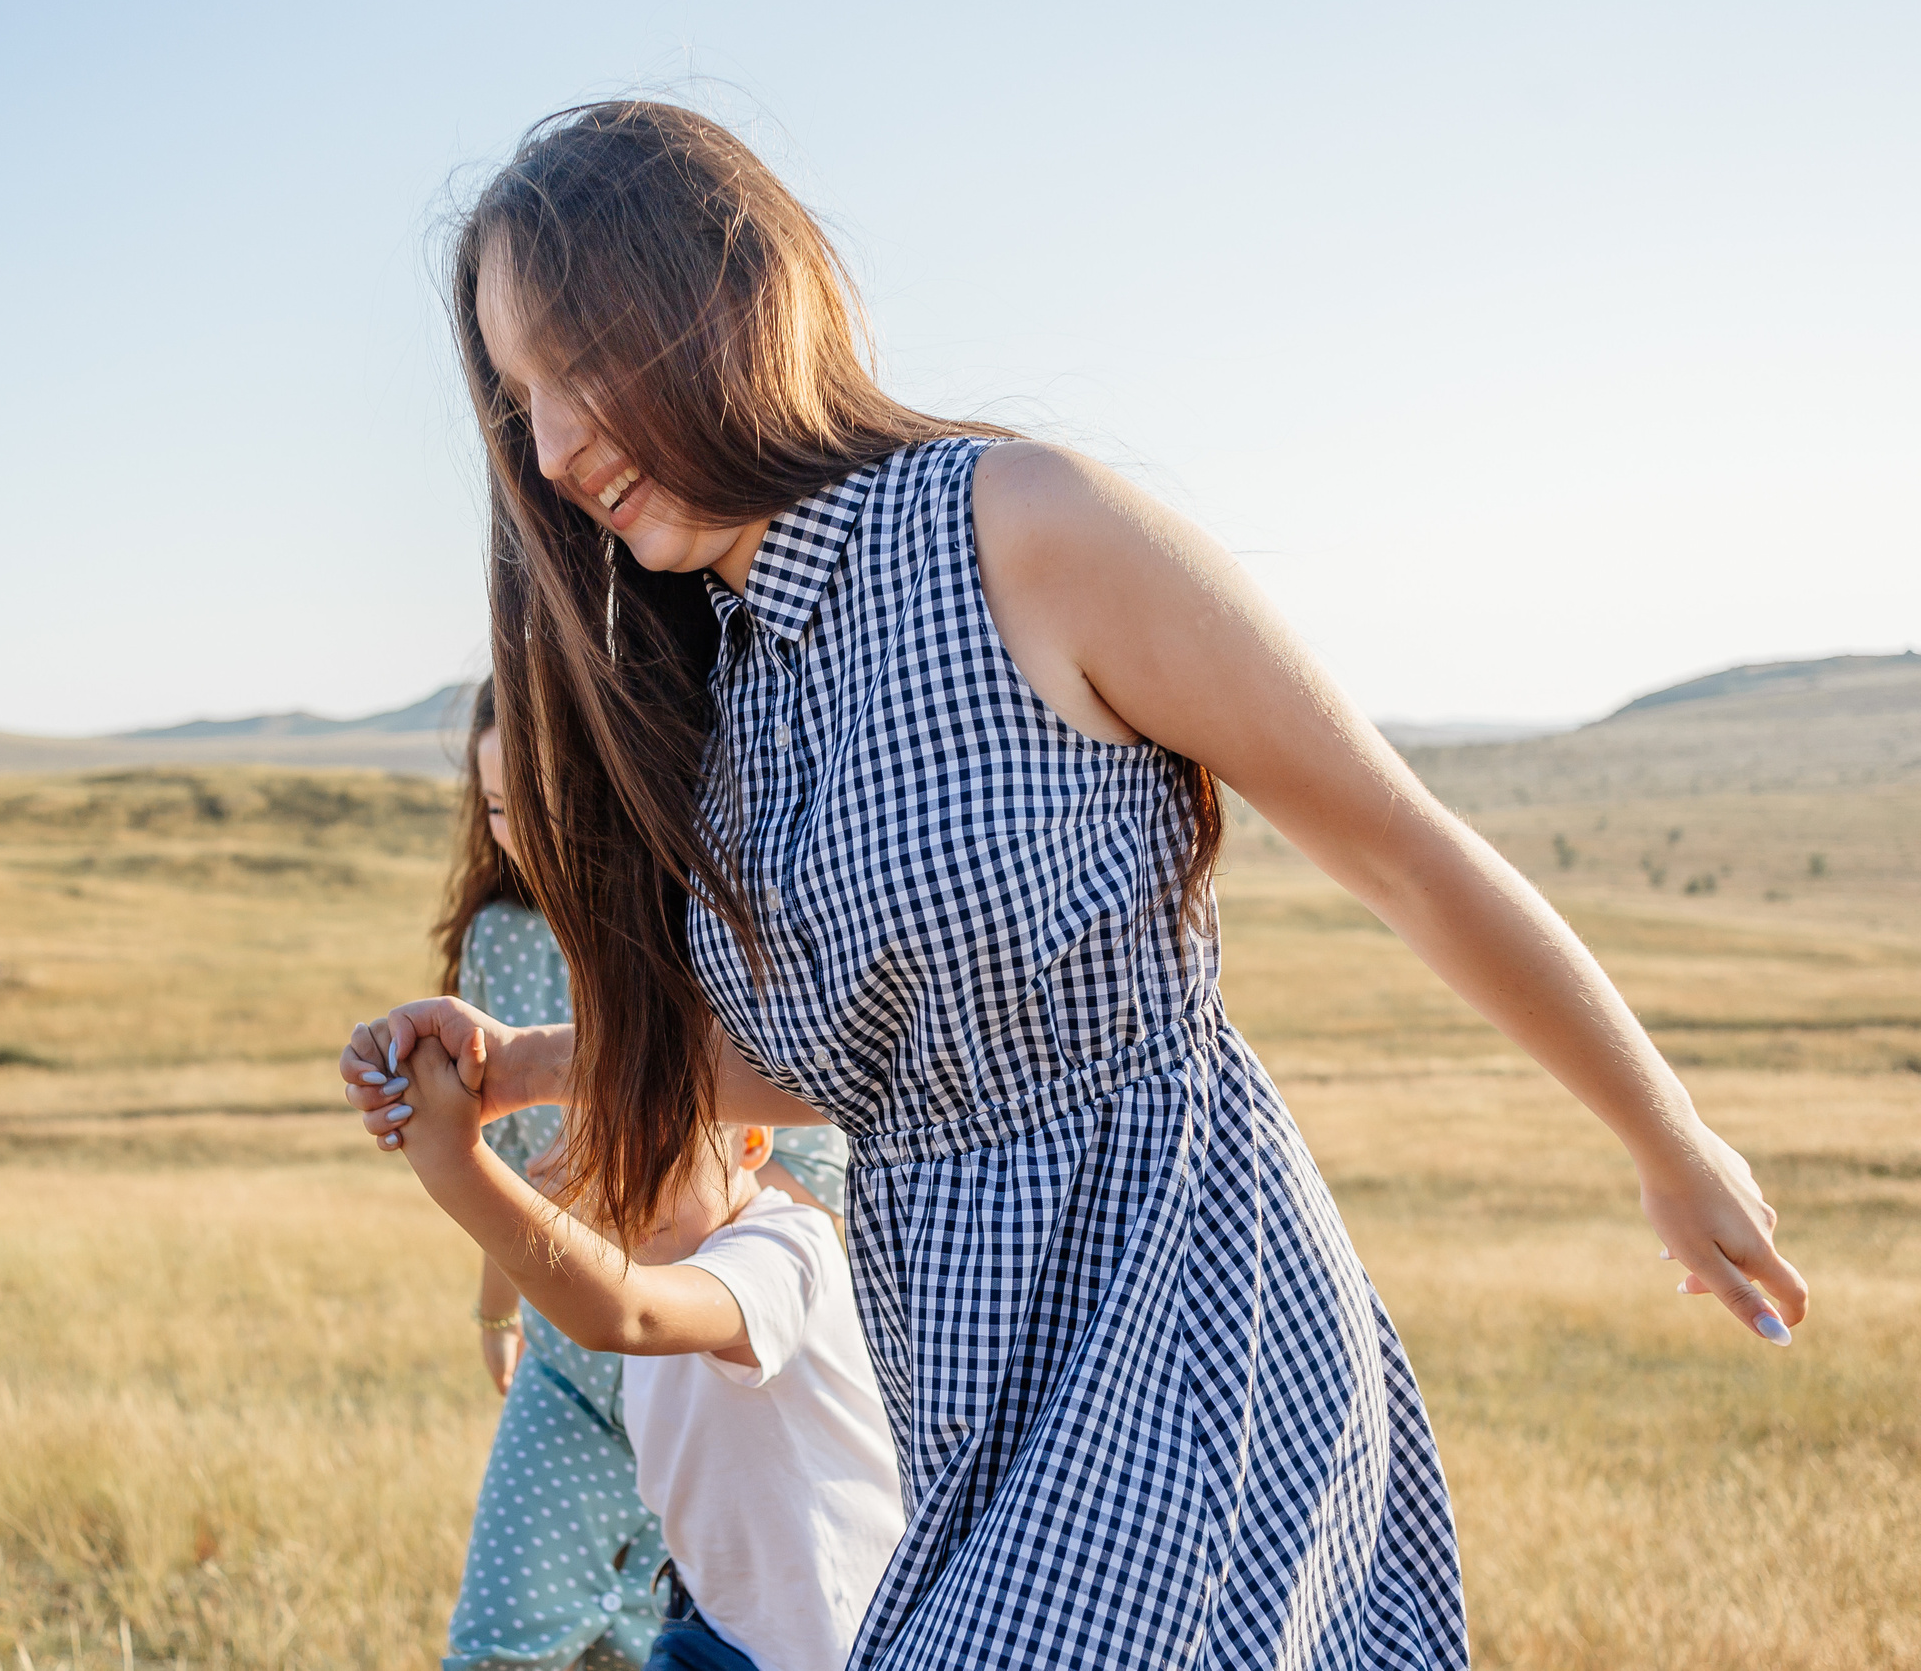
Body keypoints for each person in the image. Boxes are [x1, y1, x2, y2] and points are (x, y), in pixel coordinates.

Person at [348, 101, 1806, 1669]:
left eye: (580, 363)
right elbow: (864, 1055)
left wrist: (1668, 1132)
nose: (555, 448)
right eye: (520, 399)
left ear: (723, 292)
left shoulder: (1019, 528)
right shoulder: (721, 701)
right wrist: (529, 1068)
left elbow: (1398, 841)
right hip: (966, 1383)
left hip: (1183, 1306)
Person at [435, 679, 853, 1671]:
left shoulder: (720, 934)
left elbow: (814, 1184)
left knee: (679, 1628)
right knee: (502, 1645)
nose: (519, 840)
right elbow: (510, 1162)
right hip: (570, 1366)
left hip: (722, 1367)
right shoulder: (503, 938)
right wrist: (501, 1310)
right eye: (495, 811)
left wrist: (674, 1255)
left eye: (539, 807)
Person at [377, 1022, 905, 1671]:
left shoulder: (786, 1249)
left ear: (753, 1140)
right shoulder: (645, 1257)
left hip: (832, 1644)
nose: (634, 1167)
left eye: (669, 1135)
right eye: (604, 1139)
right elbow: (544, 1234)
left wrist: (454, 1160)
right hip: (711, 1631)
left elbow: (630, 1313)